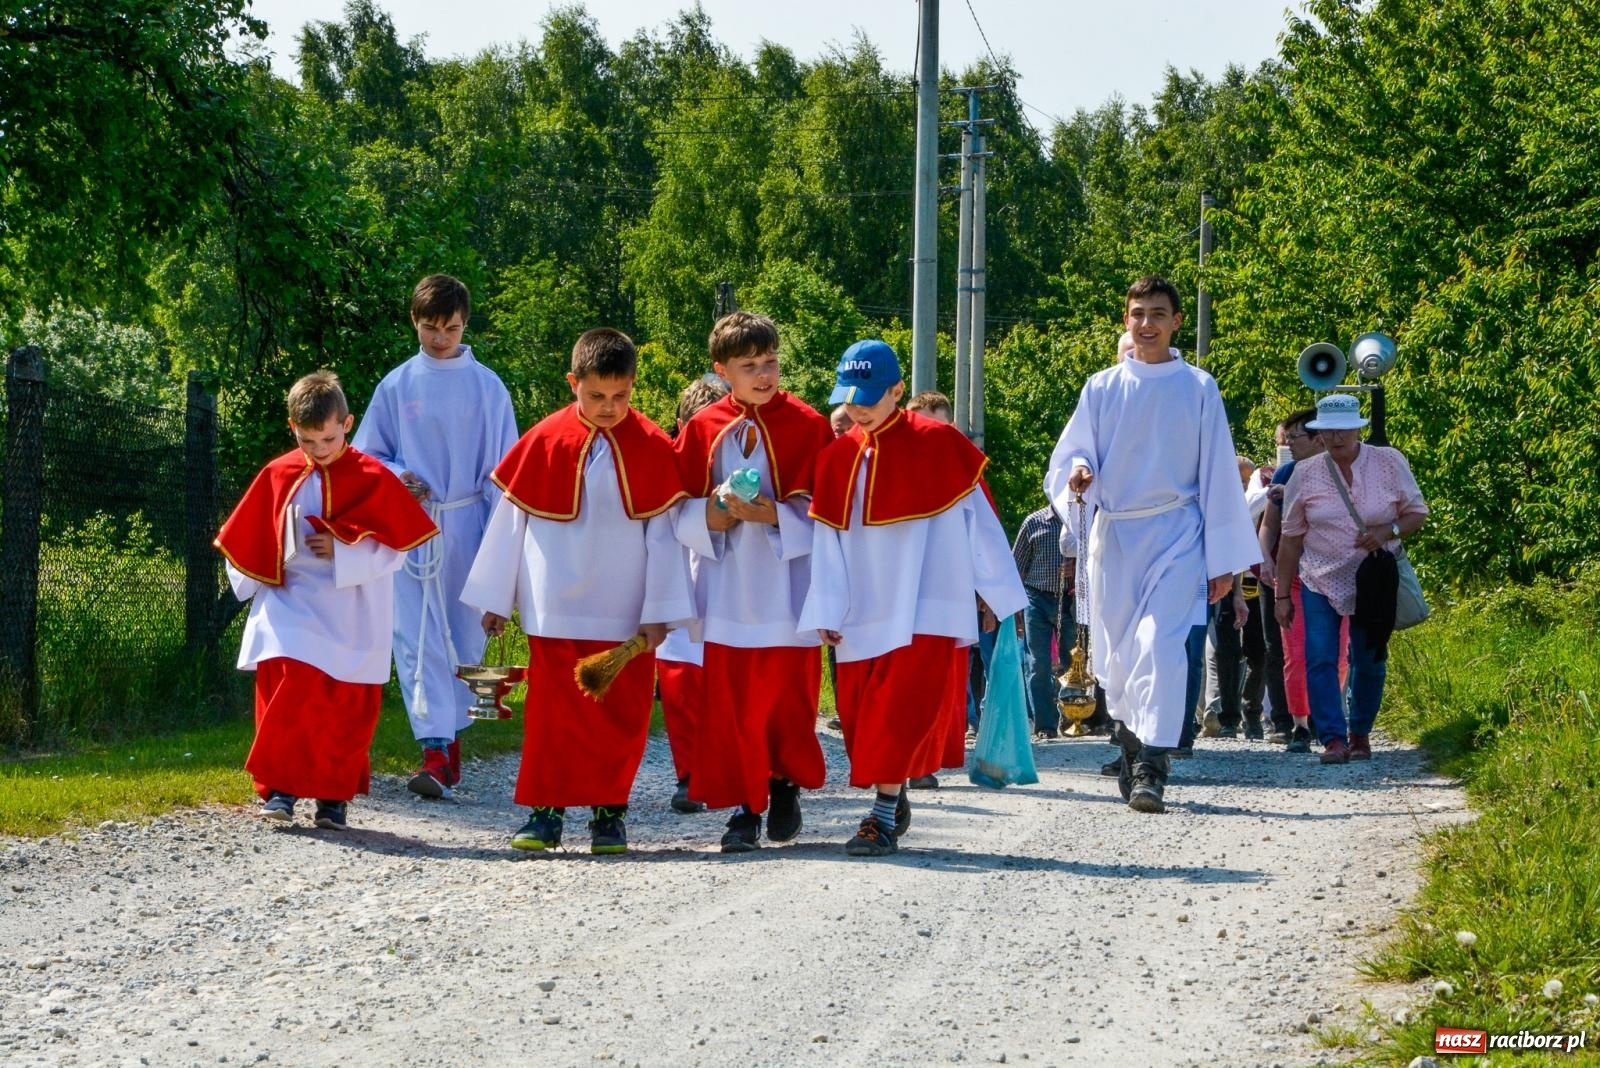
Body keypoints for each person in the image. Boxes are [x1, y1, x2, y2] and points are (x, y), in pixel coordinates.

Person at [462, 328, 694, 854]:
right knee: (553, 718)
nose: (609, 407)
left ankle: (609, 815)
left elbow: (663, 537)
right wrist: (496, 600)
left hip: (624, 612)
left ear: (633, 385)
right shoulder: (544, 440)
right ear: (573, 383)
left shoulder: (653, 447)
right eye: (596, 396)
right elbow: (509, 524)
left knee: (621, 716)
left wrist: (658, 612)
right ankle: (546, 815)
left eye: (620, 396)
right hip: (555, 604)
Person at [800, 340, 1026, 856]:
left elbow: (981, 526)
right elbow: (827, 543)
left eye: (869, 398)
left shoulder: (941, 444)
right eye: (849, 398)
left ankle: (879, 817)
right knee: (861, 722)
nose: (857, 408)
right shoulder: (836, 459)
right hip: (862, 609)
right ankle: (892, 791)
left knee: (898, 712)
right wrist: (827, 608)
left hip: (930, 602)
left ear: (898, 391)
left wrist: (997, 596)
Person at [1045, 276, 1259, 814]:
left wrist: (1223, 561)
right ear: (1125, 319)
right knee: (1118, 654)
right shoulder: (1102, 386)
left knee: (1161, 644)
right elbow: (1077, 451)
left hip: (1177, 532)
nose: (1147, 323)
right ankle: (1130, 737)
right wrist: (1079, 473)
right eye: (1138, 313)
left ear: (1176, 321)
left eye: (1158, 313)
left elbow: (1215, 474)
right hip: (1117, 534)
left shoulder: (1198, 387)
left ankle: (1151, 767)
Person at [215, 371, 437, 830]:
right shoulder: (278, 473)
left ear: (348, 423)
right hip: (291, 598)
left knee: (343, 705)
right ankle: (280, 789)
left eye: (328, 438)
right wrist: (274, 552)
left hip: (353, 606)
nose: (318, 450)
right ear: (292, 427)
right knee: (288, 679)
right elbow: (246, 537)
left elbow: (396, 548)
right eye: (307, 440)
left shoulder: (374, 477)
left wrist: (346, 549)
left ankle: (333, 799)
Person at [352, 274, 519, 800]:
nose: (440, 338)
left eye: (450, 328)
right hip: (415, 527)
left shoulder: (487, 387)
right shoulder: (397, 385)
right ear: (414, 322)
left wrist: (501, 560)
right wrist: (400, 477)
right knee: (417, 636)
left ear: (465, 323)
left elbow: (504, 473)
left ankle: (452, 744)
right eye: (430, 328)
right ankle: (433, 749)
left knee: (463, 635)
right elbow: (366, 455)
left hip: (470, 524)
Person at [674, 312, 833, 852]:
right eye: (750, 366)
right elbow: (677, 511)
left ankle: (784, 782)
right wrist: (712, 518)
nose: (765, 375)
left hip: (787, 588)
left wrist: (773, 516)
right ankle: (744, 809)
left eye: (771, 363)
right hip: (726, 587)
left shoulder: (808, 425)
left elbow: (827, 512)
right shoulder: (701, 429)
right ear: (723, 371)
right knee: (733, 706)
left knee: (789, 701)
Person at [1274, 393, 1428, 763]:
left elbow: (1417, 513)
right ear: (1320, 435)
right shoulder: (1304, 474)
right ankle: (1332, 738)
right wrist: (1281, 596)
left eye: (1345, 429)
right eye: (1328, 431)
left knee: (1369, 657)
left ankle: (1359, 733)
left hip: (1373, 577)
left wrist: (1387, 530)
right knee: (1320, 656)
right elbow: (1291, 539)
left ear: (1359, 430)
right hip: (1320, 578)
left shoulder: (1388, 462)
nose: (1337, 437)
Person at [657, 374, 730, 815]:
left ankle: (724, 770)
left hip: (726, 589)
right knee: (681, 688)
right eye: (693, 425)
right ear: (681, 424)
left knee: (723, 689)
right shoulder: (666, 462)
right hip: (678, 585)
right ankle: (688, 775)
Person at [1258, 407, 1343, 753]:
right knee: (1295, 652)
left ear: (1318, 439)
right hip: (1294, 575)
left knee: (1338, 654)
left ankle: (1330, 717)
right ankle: (1301, 724)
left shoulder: (1344, 471)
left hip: (1340, 575)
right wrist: (1264, 559)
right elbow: (1270, 526)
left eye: (1296, 438)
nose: (1289, 444)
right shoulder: (1287, 471)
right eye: (1288, 437)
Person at [1012, 500, 1073, 737]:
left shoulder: (1080, 524)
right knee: (1037, 663)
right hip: (1035, 598)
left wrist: (1077, 567)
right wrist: (1015, 607)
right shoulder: (1033, 522)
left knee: (1071, 663)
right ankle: (1045, 725)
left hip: (1069, 600)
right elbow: (1015, 566)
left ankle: (1071, 719)